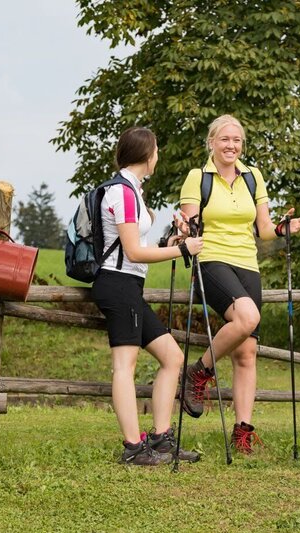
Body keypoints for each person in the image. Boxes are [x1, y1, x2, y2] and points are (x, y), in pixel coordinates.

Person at [179, 114, 300, 454]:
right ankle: (198, 373)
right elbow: (190, 226)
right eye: (225, 139)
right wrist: (183, 230)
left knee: (247, 351)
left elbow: (264, 230)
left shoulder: (253, 177)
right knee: (248, 318)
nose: (231, 145)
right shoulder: (198, 178)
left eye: (237, 140)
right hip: (211, 261)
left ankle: (242, 433)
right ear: (212, 142)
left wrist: (284, 228)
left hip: (247, 264)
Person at [92, 126, 204, 466]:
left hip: (129, 286)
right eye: (156, 150)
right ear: (146, 154)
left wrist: (171, 241)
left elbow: (140, 248)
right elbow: (133, 253)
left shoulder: (133, 191)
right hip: (118, 284)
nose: (158, 156)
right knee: (123, 366)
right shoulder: (122, 193)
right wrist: (182, 249)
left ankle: (160, 439)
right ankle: (133, 448)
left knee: (172, 358)